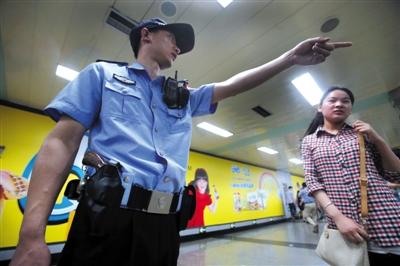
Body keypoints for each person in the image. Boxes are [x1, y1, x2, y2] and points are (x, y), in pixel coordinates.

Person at [10, 17, 351, 266]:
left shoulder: (183, 97)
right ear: (146, 35)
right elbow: (61, 144)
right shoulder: (101, 76)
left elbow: (233, 84)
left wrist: (290, 58)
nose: (178, 48)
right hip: (108, 218)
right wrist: (30, 236)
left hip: (163, 225)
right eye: (173, 38)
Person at [301, 86, 400, 264]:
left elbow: (396, 175)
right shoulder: (309, 141)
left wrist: (377, 138)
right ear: (320, 107)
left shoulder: (362, 134)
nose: (339, 104)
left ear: (350, 108)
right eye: (332, 100)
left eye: (345, 101)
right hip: (345, 227)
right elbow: (312, 181)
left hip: (387, 218)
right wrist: (338, 218)